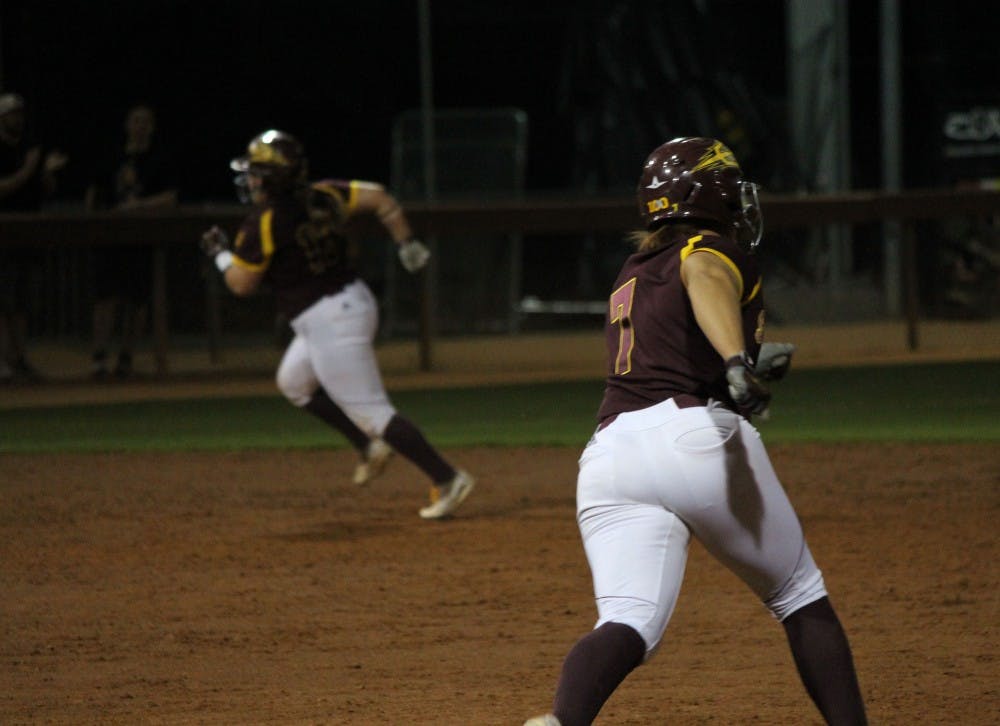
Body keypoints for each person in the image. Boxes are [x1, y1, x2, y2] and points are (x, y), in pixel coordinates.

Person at [524, 138, 867, 725]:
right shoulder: (710, 246)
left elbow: (670, 345)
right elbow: (704, 273)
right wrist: (736, 360)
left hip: (610, 457)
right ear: (710, 194)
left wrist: (746, 358)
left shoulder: (635, 268)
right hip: (696, 439)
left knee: (627, 620)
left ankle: (559, 722)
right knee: (800, 597)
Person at [200, 129, 474, 517]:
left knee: (373, 412)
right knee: (294, 383)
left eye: (258, 173)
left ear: (275, 177)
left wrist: (221, 256)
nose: (252, 180)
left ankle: (446, 477)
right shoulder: (324, 194)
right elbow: (380, 197)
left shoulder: (263, 221)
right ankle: (368, 447)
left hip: (329, 319)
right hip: (350, 301)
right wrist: (405, 242)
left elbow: (241, 284)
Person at [86, 104, 178, 379]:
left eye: (145, 121)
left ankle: (126, 358)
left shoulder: (159, 158)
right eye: (135, 120)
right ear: (127, 125)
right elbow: (94, 192)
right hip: (110, 235)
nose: (140, 126)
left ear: (151, 127)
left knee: (137, 301)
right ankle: (99, 358)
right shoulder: (112, 155)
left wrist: (138, 206)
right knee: (105, 297)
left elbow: (171, 197)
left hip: (141, 236)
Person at [0, 92, 68, 383]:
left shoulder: (30, 147)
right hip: (3, 231)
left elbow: (46, 189)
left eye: (19, 114)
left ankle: (19, 358)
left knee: (23, 300)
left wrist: (47, 173)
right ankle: (3, 360)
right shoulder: (15, 152)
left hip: (29, 232)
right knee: (2, 300)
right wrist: (30, 167)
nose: (17, 119)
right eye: (11, 114)